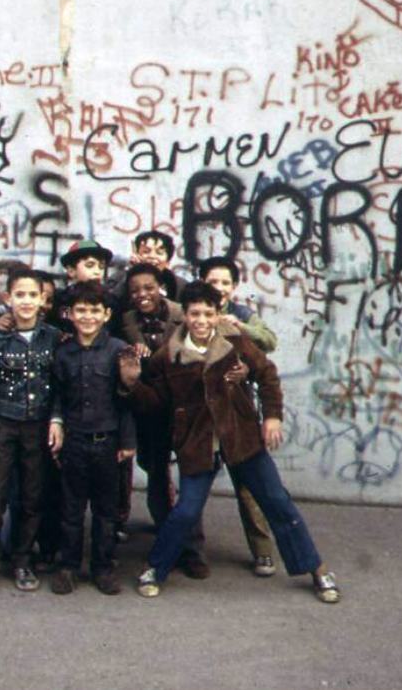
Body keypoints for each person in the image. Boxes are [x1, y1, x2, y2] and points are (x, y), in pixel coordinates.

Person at [120, 281, 340, 603]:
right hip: (198, 443)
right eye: (195, 314)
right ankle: (156, 567)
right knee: (186, 511)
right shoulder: (169, 355)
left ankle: (316, 569)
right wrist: (132, 384)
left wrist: (272, 417)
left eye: (208, 314)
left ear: (217, 313)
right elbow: (155, 402)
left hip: (242, 437)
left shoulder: (235, 341)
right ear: (185, 316)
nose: (201, 321)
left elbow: (267, 374)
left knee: (277, 502)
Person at [0, 267, 62, 591]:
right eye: (20, 295)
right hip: (2, 426)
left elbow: (59, 388)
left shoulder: (52, 338)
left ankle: (22, 559)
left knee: (32, 497)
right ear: (8, 298)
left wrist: (56, 420)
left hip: (37, 429)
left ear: (42, 299)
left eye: (33, 295)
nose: (26, 301)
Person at [48, 282, 137, 595]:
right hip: (74, 441)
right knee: (71, 509)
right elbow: (57, 395)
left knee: (106, 510)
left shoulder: (118, 350)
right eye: (81, 310)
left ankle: (103, 567)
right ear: (69, 314)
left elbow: (127, 401)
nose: (88, 317)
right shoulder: (63, 353)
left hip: (107, 442)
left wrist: (127, 442)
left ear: (106, 314)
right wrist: (57, 423)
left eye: (95, 310)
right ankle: (68, 566)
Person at [119, 262, 205, 575]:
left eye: (149, 287)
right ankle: (167, 537)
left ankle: (192, 550)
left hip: (185, 407)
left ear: (161, 288)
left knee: (190, 480)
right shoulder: (126, 320)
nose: (142, 294)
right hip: (149, 408)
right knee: (156, 476)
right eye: (134, 290)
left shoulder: (183, 314)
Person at [198, 255, 279, 576]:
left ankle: (263, 551)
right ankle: (190, 551)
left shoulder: (243, 315)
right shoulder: (196, 312)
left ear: (234, 287)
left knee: (248, 487)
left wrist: (239, 327)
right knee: (194, 490)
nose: (218, 288)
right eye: (212, 282)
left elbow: (269, 341)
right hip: (204, 416)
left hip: (237, 414)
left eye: (224, 283)